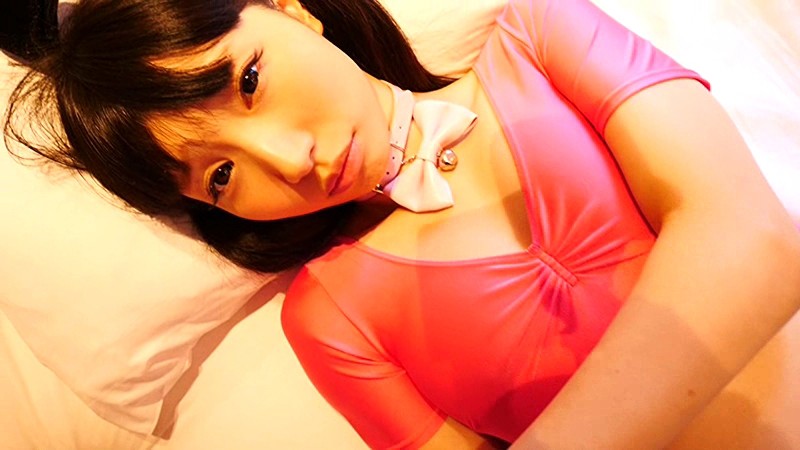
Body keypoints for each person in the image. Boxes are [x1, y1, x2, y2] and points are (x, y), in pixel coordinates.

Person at [3, 0, 800, 448]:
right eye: (220, 176)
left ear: (292, 10)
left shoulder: (536, 36)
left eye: (247, 81)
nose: (289, 159)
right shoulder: (328, 318)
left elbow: (756, 242)